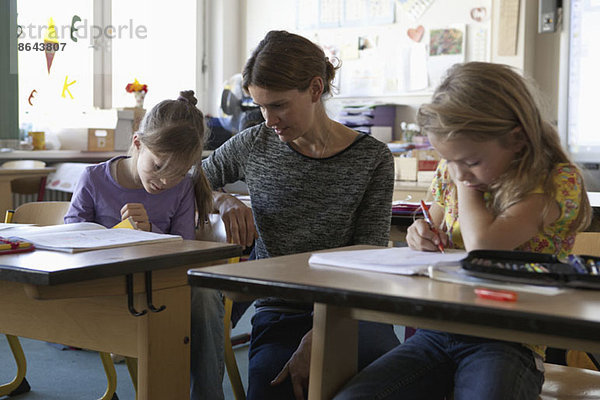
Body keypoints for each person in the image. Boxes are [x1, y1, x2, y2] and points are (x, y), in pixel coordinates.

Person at [333, 62, 592, 400]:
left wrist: (463, 183)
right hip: (439, 331)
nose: (459, 172)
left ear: (516, 139)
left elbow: (482, 245)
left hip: (509, 340)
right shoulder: (456, 168)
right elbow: (432, 225)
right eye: (450, 161)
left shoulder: (556, 182)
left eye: (470, 162)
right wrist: (419, 233)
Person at [201, 30, 400, 400]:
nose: (268, 118)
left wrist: (323, 335)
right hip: (280, 309)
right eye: (259, 105)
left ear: (314, 89)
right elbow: (190, 180)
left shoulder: (371, 159)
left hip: (354, 309)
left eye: (278, 105)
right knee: (274, 389)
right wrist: (222, 200)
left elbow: (368, 256)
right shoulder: (254, 143)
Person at [64, 90, 223, 400]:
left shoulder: (181, 189)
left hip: (162, 284)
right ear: (137, 143)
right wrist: (115, 234)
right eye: (160, 166)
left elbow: (184, 252)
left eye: (178, 173)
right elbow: (72, 236)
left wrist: (149, 233)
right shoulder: (94, 179)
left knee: (204, 295)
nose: (165, 181)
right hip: (105, 284)